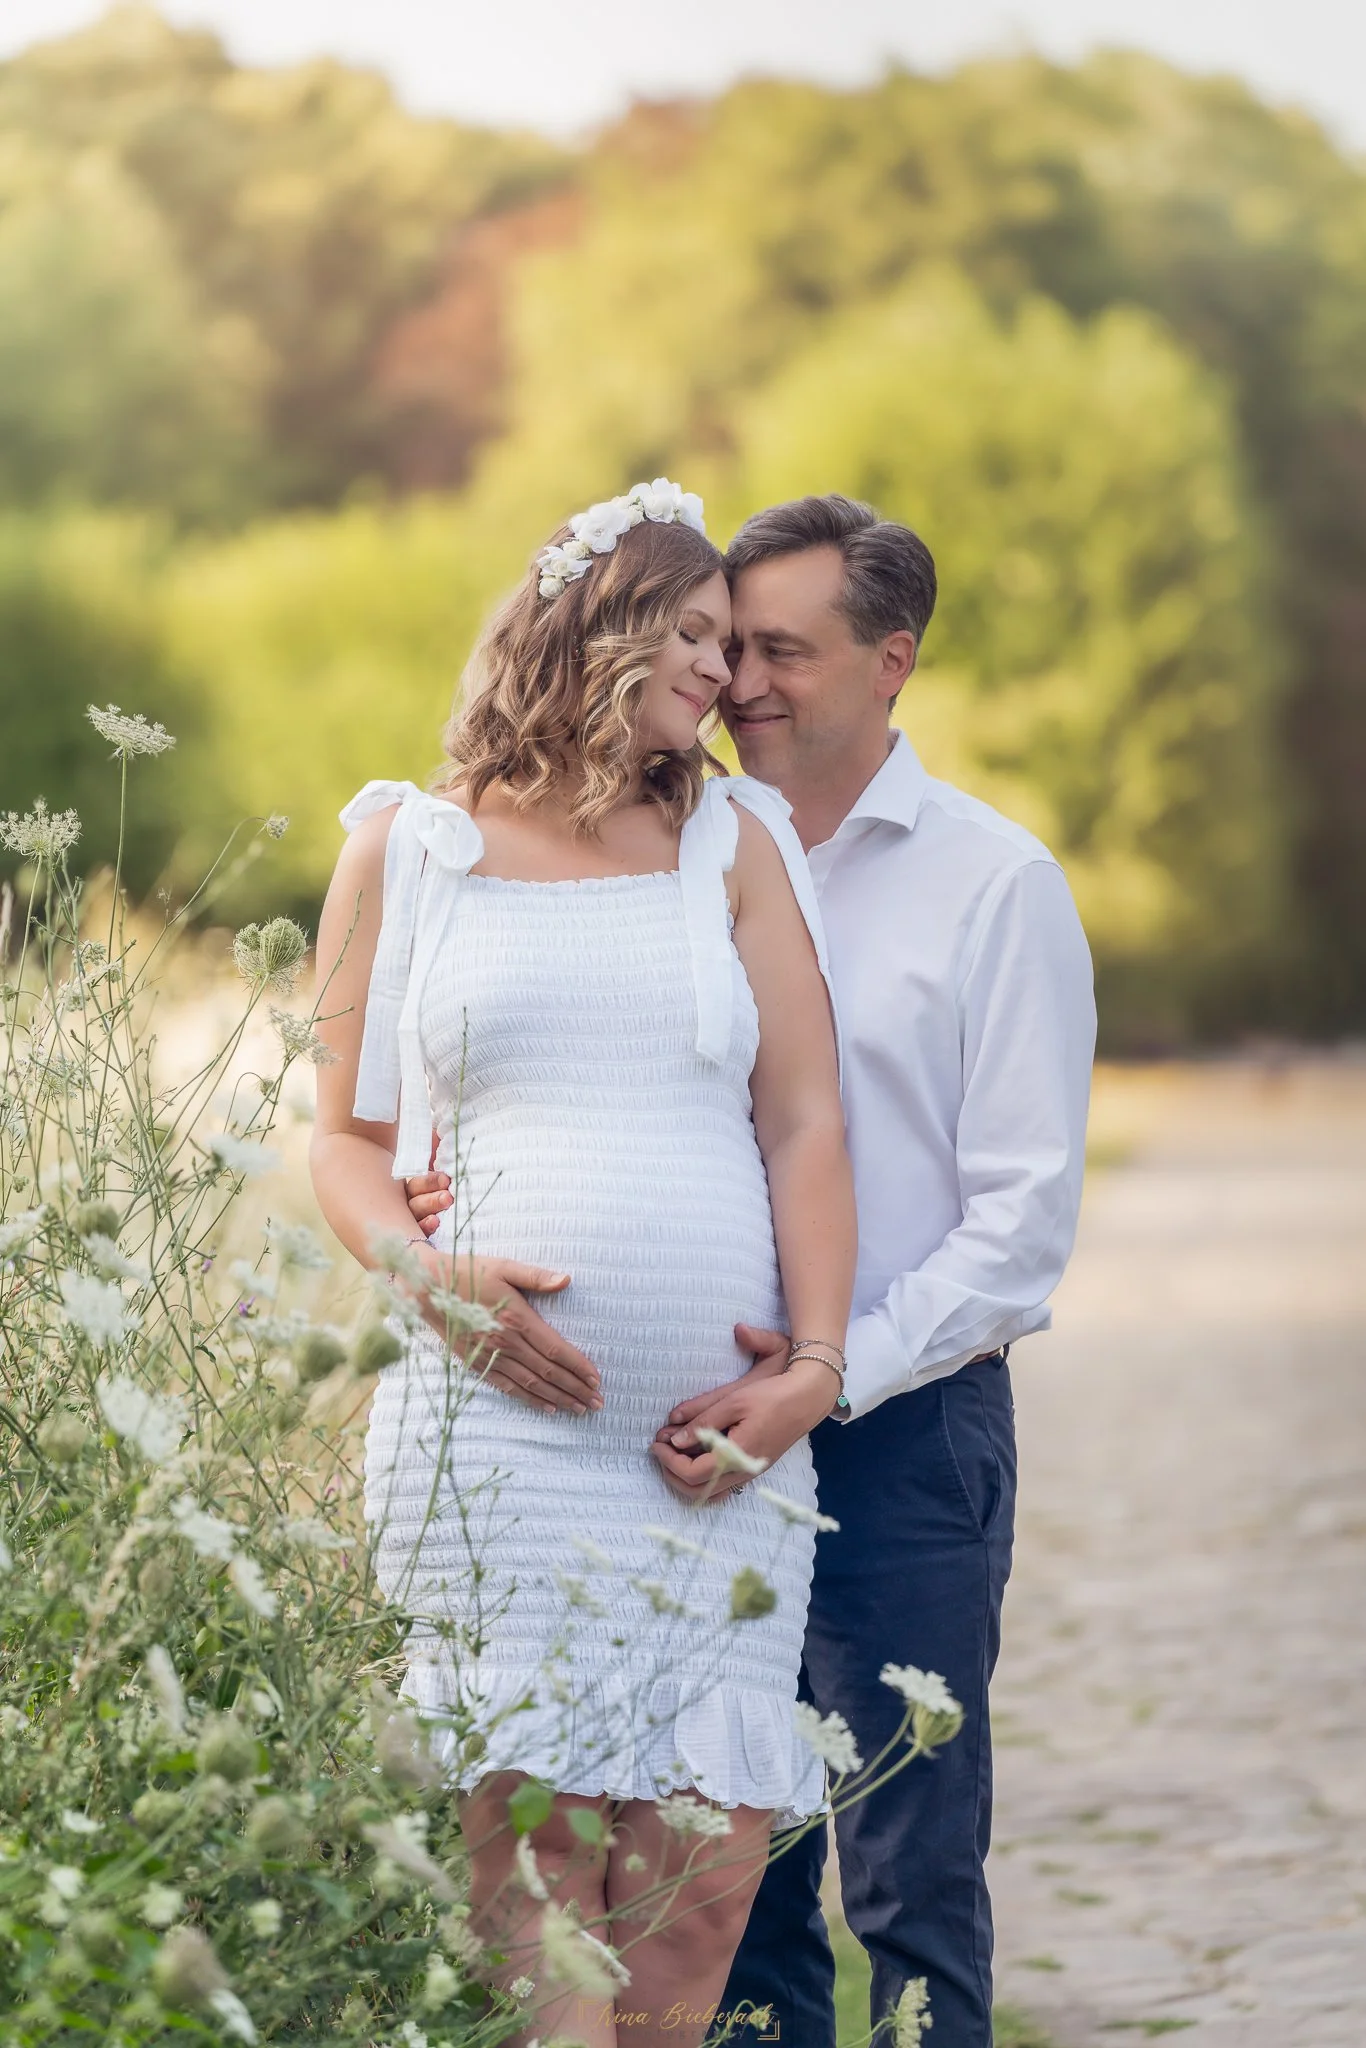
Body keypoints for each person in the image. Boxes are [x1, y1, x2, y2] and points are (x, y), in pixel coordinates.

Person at [407, 492, 1097, 2047]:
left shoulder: (994, 884)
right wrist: (440, 1205)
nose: (740, 681)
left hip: (900, 1436)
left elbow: (1020, 1222)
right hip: (659, 1457)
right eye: (723, 644)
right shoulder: (659, 836)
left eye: (778, 649)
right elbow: (538, 1064)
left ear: (891, 660)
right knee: (732, 1879)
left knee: (907, 1871)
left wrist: (814, 1368)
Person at [309, 479, 856, 2048]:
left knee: (688, 1912)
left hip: (712, 1456)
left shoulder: (732, 837)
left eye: (732, 641)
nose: (722, 674)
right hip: (496, 1448)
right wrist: (425, 1282)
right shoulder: (406, 850)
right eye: (690, 633)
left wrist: (811, 1371)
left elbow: (806, 1119)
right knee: (537, 1910)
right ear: (591, 627)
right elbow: (340, 1139)